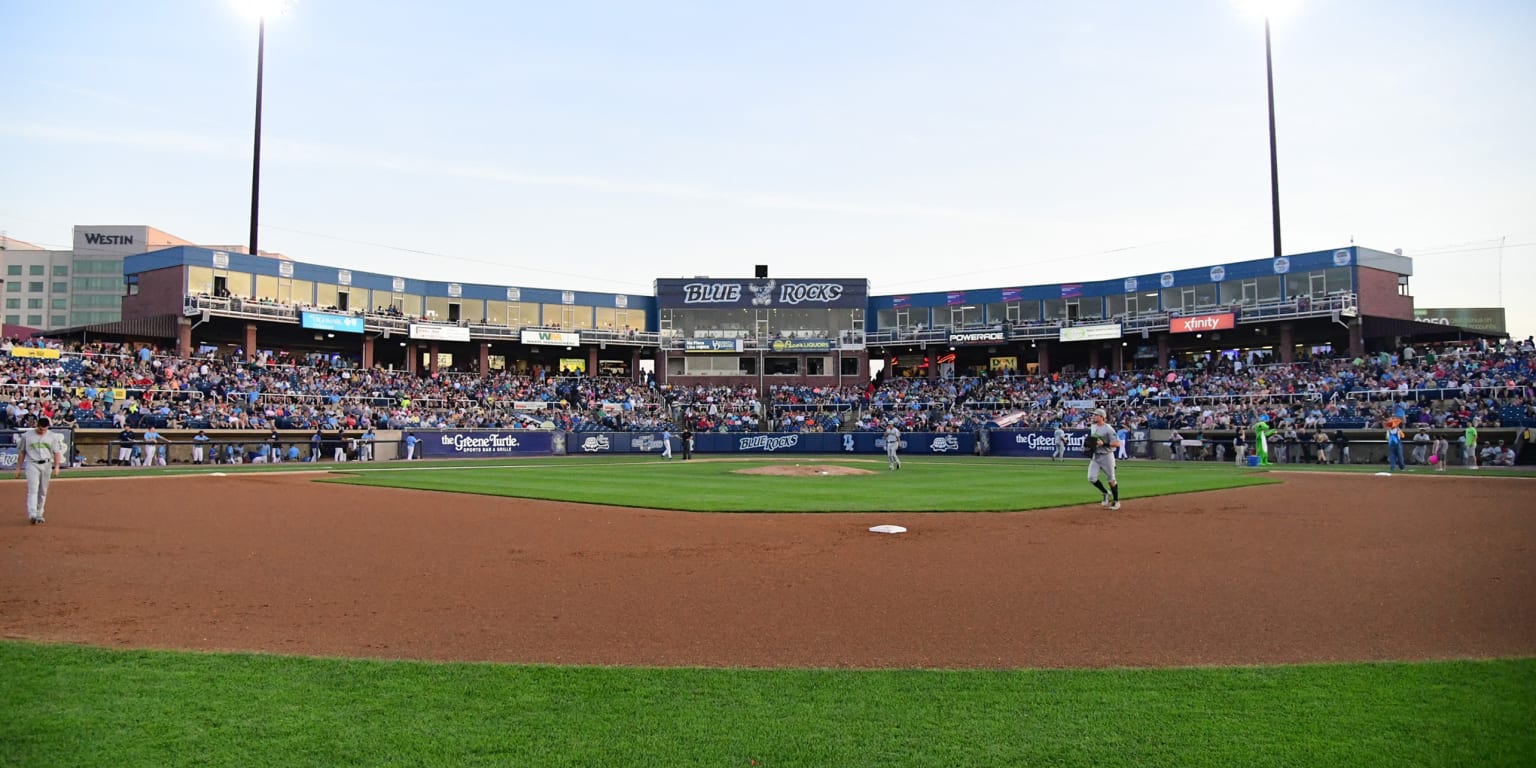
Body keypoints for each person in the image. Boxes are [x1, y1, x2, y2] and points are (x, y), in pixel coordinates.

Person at [16, 416, 66, 524]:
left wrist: (57, 466)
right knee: (33, 489)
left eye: (45, 429)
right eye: (40, 429)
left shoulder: (52, 436)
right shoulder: (27, 436)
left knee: (43, 490)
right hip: (32, 464)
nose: (43, 431)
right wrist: (18, 468)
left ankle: (39, 513)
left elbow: (56, 452)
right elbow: (22, 452)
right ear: (36, 425)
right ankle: (32, 513)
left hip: (47, 464)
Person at [1087, 408, 1121, 510]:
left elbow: (1117, 443)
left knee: (1111, 480)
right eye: (1093, 415)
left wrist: (1104, 444)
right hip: (1096, 456)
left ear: (1102, 417)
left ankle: (1116, 501)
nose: (1093, 416)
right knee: (1091, 478)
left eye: (1095, 415)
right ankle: (1105, 493)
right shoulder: (1093, 426)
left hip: (1107, 456)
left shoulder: (1108, 429)